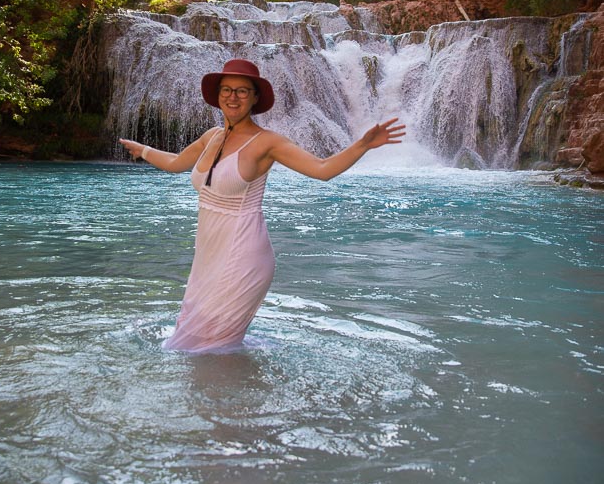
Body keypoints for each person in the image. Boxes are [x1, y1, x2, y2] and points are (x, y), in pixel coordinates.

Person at [120, 58, 405, 353]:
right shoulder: (211, 137)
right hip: (208, 255)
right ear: (217, 95)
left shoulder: (267, 143)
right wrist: (145, 150)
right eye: (227, 90)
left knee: (208, 346)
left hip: (243, 255)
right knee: (196, 343)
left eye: (242, 91)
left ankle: (234, 395)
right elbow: (176, 163)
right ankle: (226, 393)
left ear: (255, 98)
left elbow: (322, 170)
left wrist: (362, 145)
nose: (233, 97)